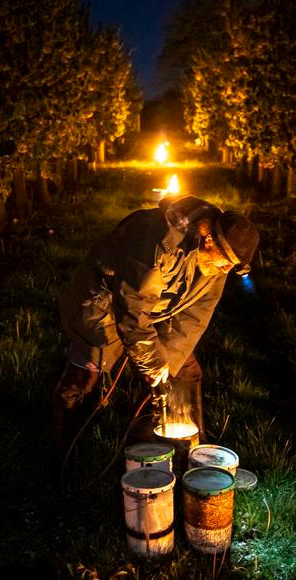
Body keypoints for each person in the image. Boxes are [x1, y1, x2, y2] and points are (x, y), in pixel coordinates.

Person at [51, 194, 260, 456]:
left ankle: (187, 446)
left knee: (184, 371)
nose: (226, 269)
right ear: (209, 240)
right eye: (226, 262)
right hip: (104, 301)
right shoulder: (156, 237)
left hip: (158, 309)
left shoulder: (216, 264)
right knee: (83, 376)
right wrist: (152, 363)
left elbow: (195, 317)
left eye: (232, 266)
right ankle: (64, 454)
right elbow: (133, 306)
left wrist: (165, 366)